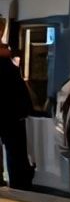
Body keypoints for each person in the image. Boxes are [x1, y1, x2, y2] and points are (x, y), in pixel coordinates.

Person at [0, 39, 33, 189]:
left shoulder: (8, 65)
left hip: (10, 114)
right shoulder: (8, 67)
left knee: (14, 152)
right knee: (16, 152)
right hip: (12, 116)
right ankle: (19, 183)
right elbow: (19, 93)